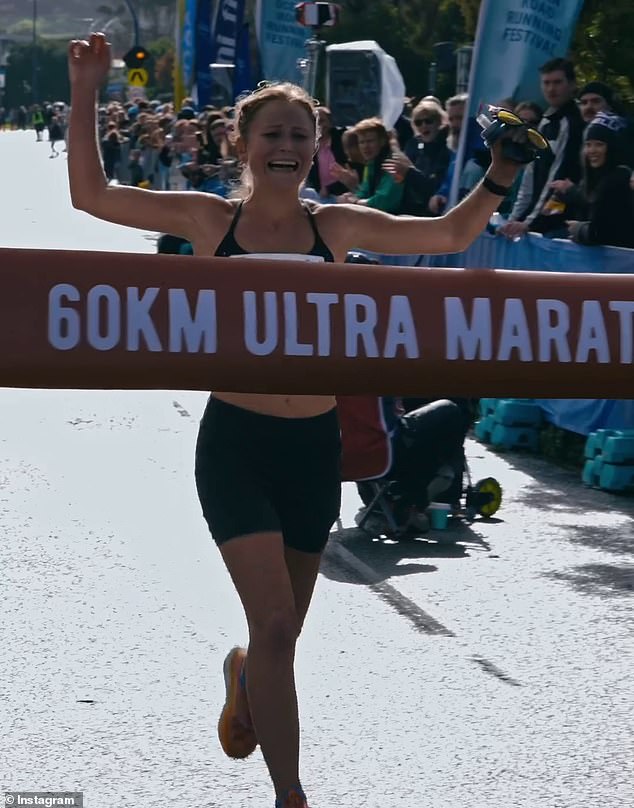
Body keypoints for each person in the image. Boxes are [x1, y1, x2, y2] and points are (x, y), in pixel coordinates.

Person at [68, 32, 526, 808]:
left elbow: (448, 235)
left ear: (317, 146)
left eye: (300, 135)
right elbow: (92, 195)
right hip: (236, 447)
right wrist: (87, 91)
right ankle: (291, 796)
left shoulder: (337, 229)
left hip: (314, 449)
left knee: (280, 640)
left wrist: (503, 172)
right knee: (279, 628)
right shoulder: (210, 221)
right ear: (241, 144)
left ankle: (245, 673)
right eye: (271, 134)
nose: (286, 146)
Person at [498, 57, 584, 240]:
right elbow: (529, 177)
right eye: (546, 83)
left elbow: (557, 175)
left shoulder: (572, 122)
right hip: (536, 221)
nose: (551, 89)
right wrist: (513, 219)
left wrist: (529, 223)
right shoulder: (545, 121)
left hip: (560, 225)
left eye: (557, 82)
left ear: (572, 84)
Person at [552, 113, 634, 249]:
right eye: (588, 145)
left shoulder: (618, 179)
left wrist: (578, 229)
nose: (592, 151)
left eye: (599, 145)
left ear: (612, 147)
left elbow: (607, 232)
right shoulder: (597, 178)